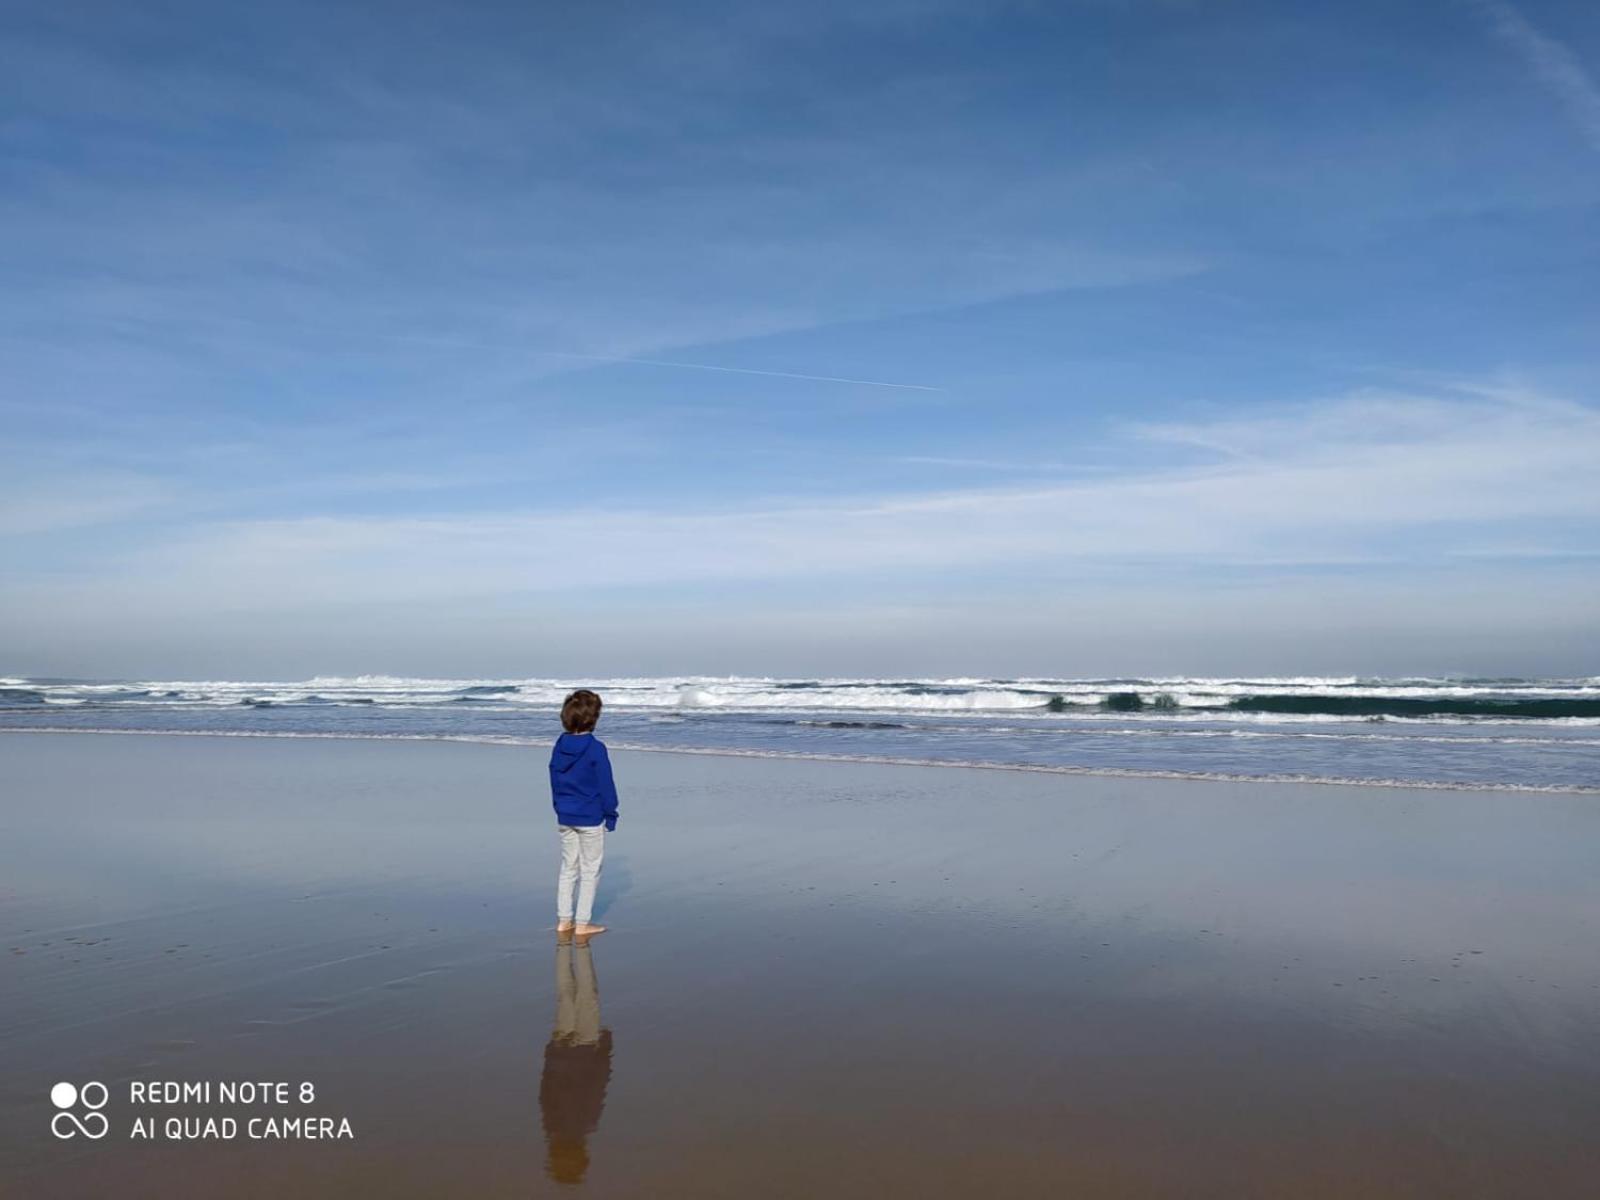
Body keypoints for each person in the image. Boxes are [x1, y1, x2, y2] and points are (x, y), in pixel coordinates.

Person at [540, 933, 612, 1184]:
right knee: (568, 994)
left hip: (579, 1050)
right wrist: (550, 1051)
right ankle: (566, 948)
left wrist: (605, 1049)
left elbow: (597, 1084)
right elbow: (545, 1090)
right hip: (564, 1050)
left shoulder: (576, 1124)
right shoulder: (554, 1125)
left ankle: (571, 947)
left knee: (584, 994)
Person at [549, 688, 619, 938]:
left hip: (565, 815)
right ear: (594, 718)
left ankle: (563, 920)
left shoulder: (560, 745)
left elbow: (554, 777)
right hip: (590, 817)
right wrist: (611, 814)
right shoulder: (595, 748)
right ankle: (582, 923)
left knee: (569, 867)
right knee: (590, 869)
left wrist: (558, 806)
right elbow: (605, 785)